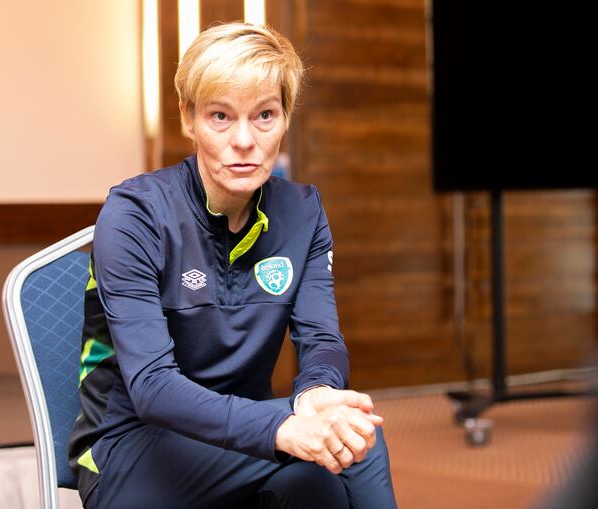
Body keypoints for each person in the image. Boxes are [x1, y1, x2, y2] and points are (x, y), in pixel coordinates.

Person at [68, 22, 397, 509]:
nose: (245, 140)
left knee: (325, 473)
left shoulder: (302, 211)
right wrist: (284, 426)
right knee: (356, 446)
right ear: (189, 118)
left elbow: (323, 340)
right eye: (221, 116)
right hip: (133, 449)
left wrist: (316, 396)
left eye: (264, 115)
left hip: (249, 437)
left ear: (286, 118)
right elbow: (153, 389)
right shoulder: (135, 212)